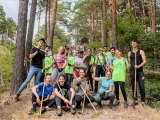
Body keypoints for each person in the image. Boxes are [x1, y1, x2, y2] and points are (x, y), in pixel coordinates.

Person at [128, 40, 146, 106]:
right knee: (133, 86)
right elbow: (130, 63)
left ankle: (143, 101)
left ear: (137, 44)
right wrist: (127, 68)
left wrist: (138, 66)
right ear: (131, 44)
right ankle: (135, 100)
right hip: (132, 72)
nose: (134, 44)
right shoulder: (129, 53)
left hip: (140, 72)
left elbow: (144, 61)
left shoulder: (141, 51)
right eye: (133, 43)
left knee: (142, 87)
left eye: (135, 43)